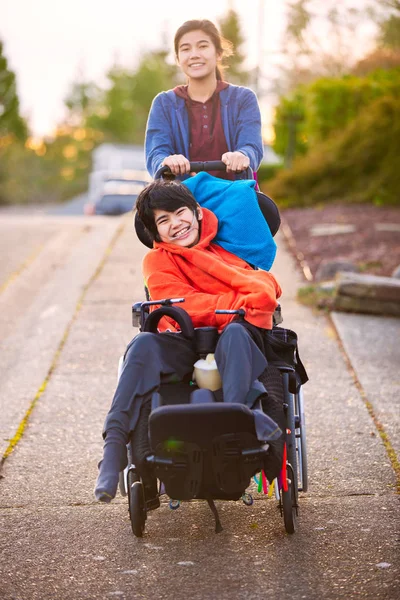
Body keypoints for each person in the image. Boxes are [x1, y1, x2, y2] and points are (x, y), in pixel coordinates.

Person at [94, 180, 282, 504]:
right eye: (163, 221)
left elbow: (263, 291)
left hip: (235, 341)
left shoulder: (231, 247)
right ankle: (113, 448)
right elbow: (177, 305)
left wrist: (216, 307)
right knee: (141, 345)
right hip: (181, 340)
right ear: (155, 232)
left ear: (196, 212)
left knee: (237, 332)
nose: (175, 225)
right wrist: (229, 303)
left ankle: (234, 426)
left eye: (180, 213)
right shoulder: (157, 260)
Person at [145, 19, 263, 179]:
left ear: (218, 53)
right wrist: (167, 160)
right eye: (186, 49)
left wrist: (242, 155)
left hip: (233, 193)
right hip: (180, 198)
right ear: (178, 59)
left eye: (203, 46)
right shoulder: (164, 103)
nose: (194, 55)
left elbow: (252, 147)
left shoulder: (243, 99)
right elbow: (156, 154)